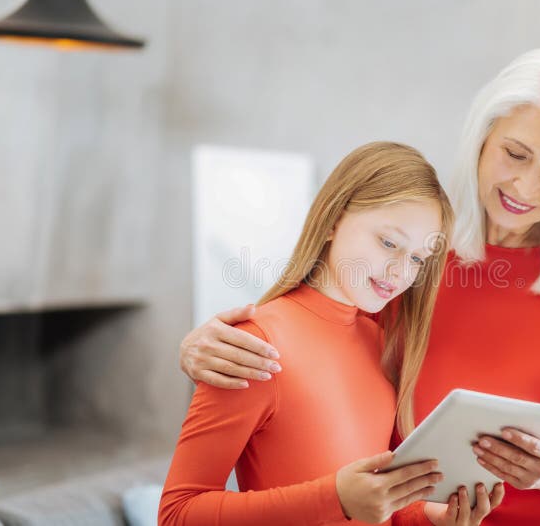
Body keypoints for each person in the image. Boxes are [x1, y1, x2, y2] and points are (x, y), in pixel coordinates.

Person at [178, 47, 540, 525]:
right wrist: (198, 347)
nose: (527, 188)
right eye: (515, 154)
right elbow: (317, 343)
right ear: (482, 137)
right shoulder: (415, 254)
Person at [159, 141, 504, 526]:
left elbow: (373, 505)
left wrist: (431, 517)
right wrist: (334, 498)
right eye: (388, 243)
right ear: (334, 220)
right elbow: (177, 515)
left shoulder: (378, 343)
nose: (400, 273)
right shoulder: (254, 344)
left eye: (417, 259)